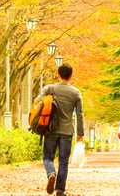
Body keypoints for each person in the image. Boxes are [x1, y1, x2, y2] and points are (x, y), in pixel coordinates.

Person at [35, 63, 85, 196]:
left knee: (47, 157)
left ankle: (51, 173)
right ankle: (59, 190)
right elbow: (80, 114)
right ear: (71, 76)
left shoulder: (49, 88)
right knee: (63, 161)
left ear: (58, 75)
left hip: (50, 129)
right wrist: (81, 133)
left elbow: (37, 103)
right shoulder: (76, 92)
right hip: (67, 131)